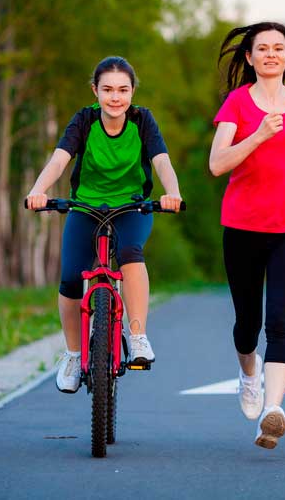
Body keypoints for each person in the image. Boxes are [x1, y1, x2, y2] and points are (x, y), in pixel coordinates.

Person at [25, 56, 182, 394]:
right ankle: (72, 354)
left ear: (132, 92)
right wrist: (38, 190)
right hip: (85, 206)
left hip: (132, 206)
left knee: (130, 253)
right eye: (107, 89)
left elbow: (161, 161)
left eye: (123, 90)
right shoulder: (84, 121)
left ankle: (137, 336)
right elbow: (60, 159)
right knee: (70, 277)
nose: (115, 97)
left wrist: (173, 192)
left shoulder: (143, 121)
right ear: (95, 90)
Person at [208, 22, 285, 449]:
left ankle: (273, 412)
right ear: (251, 57)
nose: (272, 54)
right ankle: (248, 373)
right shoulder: (237, 104)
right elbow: (217, 164)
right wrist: (258, 134)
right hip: (242, 224)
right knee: (247, 324)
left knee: (281, 320)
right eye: (263, 48)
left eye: (279, 48)